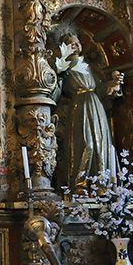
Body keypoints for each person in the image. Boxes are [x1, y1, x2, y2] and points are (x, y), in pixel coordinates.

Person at [53, 30, 123, 187]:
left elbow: (98, 89)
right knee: (86, 143)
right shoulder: (63, 65)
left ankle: (102, 183)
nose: (76, 45)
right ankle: (80, 183)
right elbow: (56, 88)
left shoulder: (87, 65)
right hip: (80, 107)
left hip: (95, 106)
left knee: (101, 142)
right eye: (71, 43)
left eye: (77, 42)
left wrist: (113, 85)